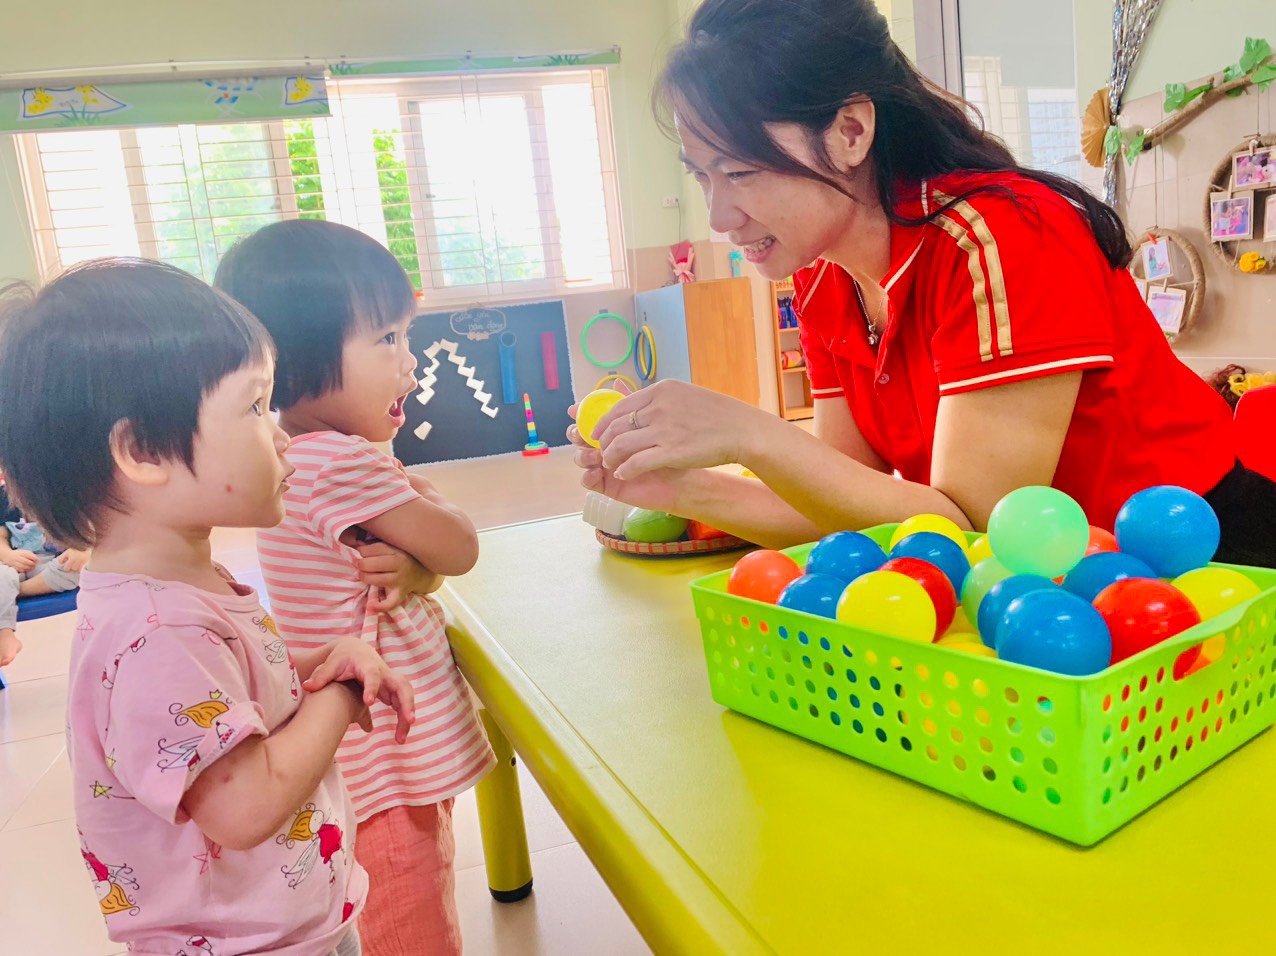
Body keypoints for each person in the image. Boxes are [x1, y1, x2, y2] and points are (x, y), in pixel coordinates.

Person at [573, 0, 1276, 567]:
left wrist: (752, 435)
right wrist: (684, 489)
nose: (720, 216)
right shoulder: (822, 279)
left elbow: (970, 528)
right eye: (703, 177)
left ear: (851, 131)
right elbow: (837, 504)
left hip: (1208, 561)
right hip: (1064, 586)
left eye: (741, 172)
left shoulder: (1001, 238)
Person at [0, 260, 417, 956]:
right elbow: (245, 805)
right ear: (142, 452)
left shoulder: (175, 588)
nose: (280, 436)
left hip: (283, 924)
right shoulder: (159, 631)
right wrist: (342, 694)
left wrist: (319, 661)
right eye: (254, 407)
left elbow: (228, 700)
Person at [215, 219, 495, 956]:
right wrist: (429, 538)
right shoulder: (340, 464)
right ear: (304, 359)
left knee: (392, 904)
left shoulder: (295, 455)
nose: (410, 361)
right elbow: (460, 545)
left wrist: (417, 567)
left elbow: (422, 556)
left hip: (355, 754)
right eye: (387, 339)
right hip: (388, 760)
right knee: (411, 919)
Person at [0, 471, 87, 666]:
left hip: (49, 567)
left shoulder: (66, 492)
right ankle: (5, 633)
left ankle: (14, 592)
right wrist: (8, 555)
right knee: (2, 575)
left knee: (77, 568)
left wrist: (82, 549)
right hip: (13, 565)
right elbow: (1, 537)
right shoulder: (4, 496)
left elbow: (90, 528)